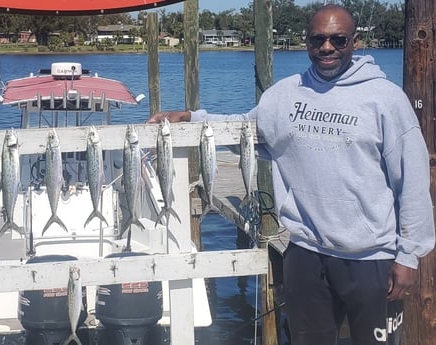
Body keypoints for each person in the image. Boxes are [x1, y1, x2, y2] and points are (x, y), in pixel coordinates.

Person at [148, 4, 435, 345]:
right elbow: (247, 128)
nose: (327, 48)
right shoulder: (284, 95)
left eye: (338, 40)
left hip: (370, 258)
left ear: (355, 42)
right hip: (304, 252)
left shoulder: (386, 99)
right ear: (307, 42)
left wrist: (409, 255)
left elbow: (413, 180)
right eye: (317, 40)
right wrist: (192, 118)